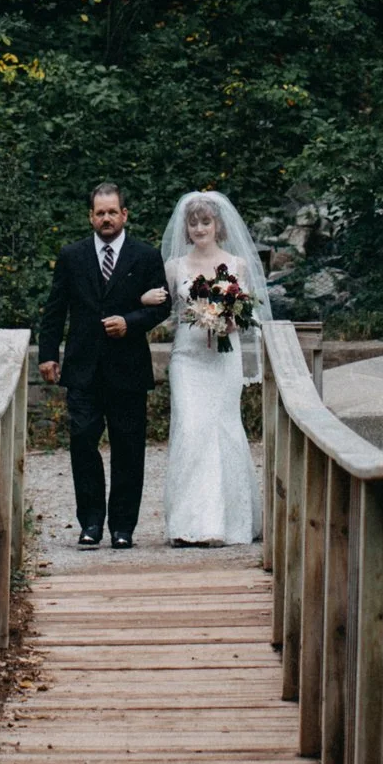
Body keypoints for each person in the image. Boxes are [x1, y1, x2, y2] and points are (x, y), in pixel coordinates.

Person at [37, 182, 168, 548]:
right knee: (82, 443)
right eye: (100, 213)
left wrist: (130, 322)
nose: (106, 218)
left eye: (113, 212)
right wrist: (48, 353)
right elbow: (54, 309)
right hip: (83, 368)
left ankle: (123, 527)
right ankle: (91, 522)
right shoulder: (71, 255)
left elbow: (162, 306)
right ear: (90, 217)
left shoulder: (145, 256)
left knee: (129, 448)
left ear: (124, 215)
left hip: (127, 368)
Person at [139, 190, 266, 546]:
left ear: (218, 225)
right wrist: (142, 299)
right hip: (188, 359)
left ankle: (227, 522)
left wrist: (231, 321)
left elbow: (251, 315)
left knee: (222, 429)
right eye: (193, 222)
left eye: (205, 221)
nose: (199, 228)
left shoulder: (237, 265)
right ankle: (189, 522)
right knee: (191, 429)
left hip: (223, 358)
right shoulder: (174, 267)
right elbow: (159, 309)